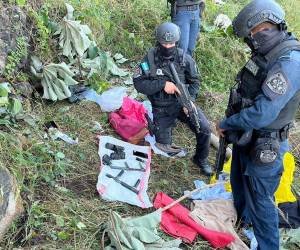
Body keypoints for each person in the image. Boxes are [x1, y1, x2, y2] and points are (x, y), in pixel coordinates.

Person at [215, 1, 300, 249]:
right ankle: (242, 221)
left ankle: (268, 246)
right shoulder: (267, 53)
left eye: (251, 35)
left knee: (261, 200)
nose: (250, 41)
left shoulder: (290, 63)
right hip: (246, 135)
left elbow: (263, 113)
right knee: (239, 182)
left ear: (265, 27)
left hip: (266, 141)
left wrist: (227, 123)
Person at [133, 22, 212, 176]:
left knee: (204, 128)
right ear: (158, 41)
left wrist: (189, 101)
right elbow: (139, 83)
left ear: (176, 42)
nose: (167, 46)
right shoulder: (149, 58)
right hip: (161, 107)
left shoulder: (185, 59)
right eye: (164, 43)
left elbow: (195, 82)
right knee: (163, 145)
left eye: (171, 43)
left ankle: (201, 159)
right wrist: (162, 84)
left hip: (181, 103)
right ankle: (159, 127)